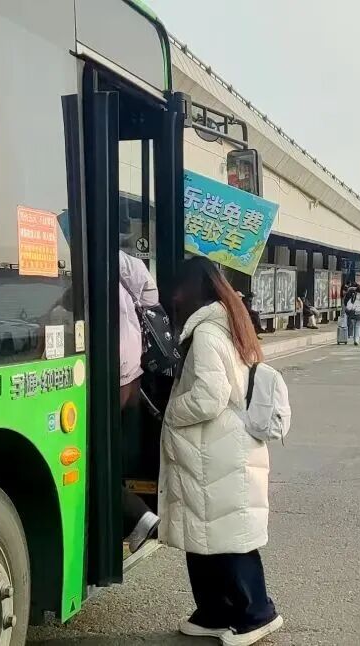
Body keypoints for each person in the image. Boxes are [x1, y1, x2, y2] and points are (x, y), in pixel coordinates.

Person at [161, 257, 283, 645]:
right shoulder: (228, 324)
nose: (172, 298)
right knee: (206, 538)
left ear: (192, 290)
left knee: (231, 539)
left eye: (177, 289)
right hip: (215, 452)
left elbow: (209, 397)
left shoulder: (207, 334)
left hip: (218, 452)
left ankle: (258, 613)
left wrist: (170, 412)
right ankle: (214, 611)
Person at [119, 250, 160, 553]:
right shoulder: (130, 266)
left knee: (93, 458)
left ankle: (136, 515)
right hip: (134, 367)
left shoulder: (92, 256)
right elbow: (151, 298)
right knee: (121, 451)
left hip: (114, 371)